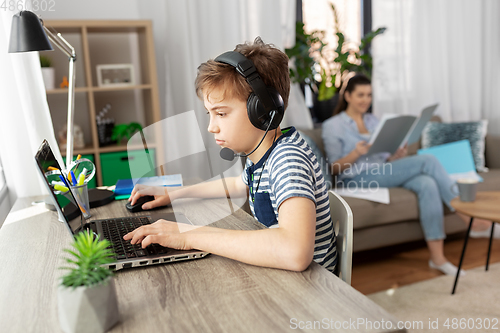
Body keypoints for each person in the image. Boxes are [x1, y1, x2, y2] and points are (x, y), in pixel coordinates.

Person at [124, 37, 337, 273]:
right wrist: (174, 193)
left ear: (262, 110)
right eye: (210, 114)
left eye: (222, 114)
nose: (211, 127)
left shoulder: (288, 159)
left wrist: (189, 236)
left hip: (313, 292)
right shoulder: (262, 154)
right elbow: (238, 184)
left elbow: (295, 252)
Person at [322, 74, 492, 276]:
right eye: (360, 95)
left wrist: (396, 156)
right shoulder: (332, 125)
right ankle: (469, 218)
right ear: (348, 96)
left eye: (369, 95)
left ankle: (437, 258)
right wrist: (356, 153)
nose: (365, 100)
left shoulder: (372, 120)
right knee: (428, 161)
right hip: (355, 178)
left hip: (382, 171)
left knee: (426, 183)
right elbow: (333, 168)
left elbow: (383, 158)